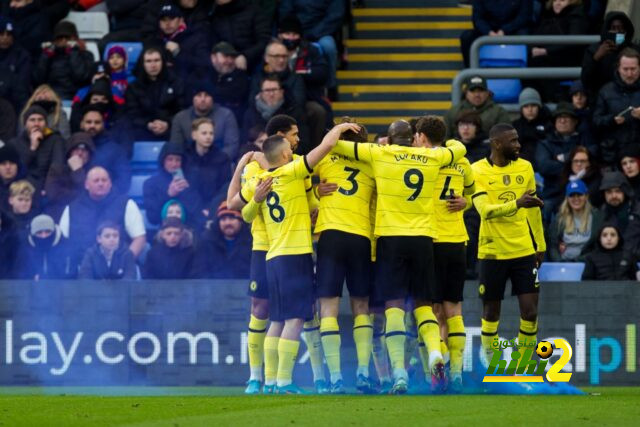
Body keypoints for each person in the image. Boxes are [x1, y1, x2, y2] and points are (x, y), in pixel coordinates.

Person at [330, 118, 468, 394]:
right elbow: (459, 149)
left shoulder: (380, 153)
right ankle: (434, 354)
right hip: (424, 239)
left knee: (394, 306)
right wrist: (450, 142)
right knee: (424, 305)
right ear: (414, 136)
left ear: (390, 139)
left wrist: (340, 129)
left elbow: (334, 146)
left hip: (391, 239)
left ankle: (400, 374)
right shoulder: (433, 157)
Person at [238, 123, 359, 394]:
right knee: (295, 320)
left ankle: (269, 382)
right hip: (295, 256)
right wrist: (340, 127)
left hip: (272, 257)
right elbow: (325, 147)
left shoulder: (260, 182)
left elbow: (245, 214)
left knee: (278, 321)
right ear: (283, 156)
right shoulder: (292, 172)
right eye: (289, 151)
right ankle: (283, 381)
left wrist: (257, 200)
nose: (293, 153)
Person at [227, 113, 327, 394]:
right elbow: (234, 204)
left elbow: (309, 202)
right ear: (282, 138)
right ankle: (261, 377)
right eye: (294, 135)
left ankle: (317, 377)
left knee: (302, 313)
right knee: (267, 310)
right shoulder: (270, 167)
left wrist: (317, 199)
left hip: (288, 245)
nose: (299, 139)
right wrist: (239, 169)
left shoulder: (293, 164)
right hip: (268, 247)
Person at [471, 123, 546, 367]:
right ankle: (493, 367)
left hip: (524, 250)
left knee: (530, 312)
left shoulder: (525, 167)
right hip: (492, 252)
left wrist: (540, 244)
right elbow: (484, 211)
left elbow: (533, 209)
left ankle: (522, 365)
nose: (518, 145)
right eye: (512, 141)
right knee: (491, 314)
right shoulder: (477, 171)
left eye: (518, 140)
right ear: (497, 143)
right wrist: (516, 204)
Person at [311, 120, 376, 394]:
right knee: (362, 306)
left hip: (331, 236)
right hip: (361, 237)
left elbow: (296, 175)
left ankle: (336, 377)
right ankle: (362, 372)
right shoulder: (373, 161)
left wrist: (315, 191)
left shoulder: (325, 158)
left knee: (328, 308)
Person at [423, 117, 476, 393]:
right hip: (457, 241)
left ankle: (438, 366)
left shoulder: (422, 159)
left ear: (421, 136)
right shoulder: (461, 160)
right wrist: (465, 202)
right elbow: (471, 189)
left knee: (433, 311)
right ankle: (455, 373)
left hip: (430, 240)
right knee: (453, 309)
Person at [59, 166, 147, 268]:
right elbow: (62, 242)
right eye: (96, 181)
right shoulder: (72, 208)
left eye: (104, 180)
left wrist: (124, 264)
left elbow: (139, 239)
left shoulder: (126, 204)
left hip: (118, 273)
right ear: (86, 185)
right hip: (81, 270)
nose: (100, 184)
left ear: (110, 184)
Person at [535, 102, 597, 221]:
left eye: (566, 117)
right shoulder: (545, 143)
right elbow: (544, 166)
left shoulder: (584, 139)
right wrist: (574, 165)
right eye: (559, 118)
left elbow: (593, 154)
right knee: (545, 207)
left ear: (575, 121)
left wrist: (566, 157)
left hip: (583, 192)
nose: (562, 121)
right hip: (554, 193)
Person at [277, 15, 331, 148]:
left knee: (318, 111)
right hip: (278, 97)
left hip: (307, 97)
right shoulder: (273, 50)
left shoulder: (310, 50)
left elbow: (322, 72)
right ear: (280, 35)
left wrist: (301, 75)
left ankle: (316, 151)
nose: (290, 38)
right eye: (287, 33)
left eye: (294, 34)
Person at [279, 0, 345, 98]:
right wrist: (295, 31)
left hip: (321, 33)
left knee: (328, 46)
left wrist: (313, 33)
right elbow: (285, 11)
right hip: (295, 31)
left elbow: (335, 16)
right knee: (274, 47)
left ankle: (331, 84)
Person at [529, 0, 589, 100]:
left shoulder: (577, 16)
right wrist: (533, 48)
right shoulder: (549, 16)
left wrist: (546, 51)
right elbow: (536, 36)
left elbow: (574, 42)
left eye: (562, 0)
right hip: (550, 58)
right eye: (555, 0)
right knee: (531, 60)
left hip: (571, 59)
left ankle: (555, 99)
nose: (557, 3)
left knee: (538, 62)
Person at [125, 47, 185, 141]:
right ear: (143, 64)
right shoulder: (134, 87)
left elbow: (182, 110)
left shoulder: (176, 83)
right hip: (143, 130)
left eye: (157, 60)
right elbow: (132, 114)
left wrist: (167, 123)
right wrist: (148, 124)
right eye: (148, 61)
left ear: (163, 62)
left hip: (172, 129)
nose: (153, 65)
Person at [170, 80, 240, 160]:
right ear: (193, 98)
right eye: (199, 95)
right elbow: (176, 147)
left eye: (206, 95)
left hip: (219, 164)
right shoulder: (180, 118)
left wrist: (216, 161)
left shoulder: (226, 115)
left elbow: (232, 146)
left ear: (212, 98)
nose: (203, 99)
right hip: (189, 165)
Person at [593, 48, 640, 166]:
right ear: (618, 68)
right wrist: (611, 120)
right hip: (613, 155)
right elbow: (596, 121)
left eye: (633, 69)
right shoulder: (606, 91)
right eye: (625, 69)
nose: (629, 74)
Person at [143, 141, 204, 229]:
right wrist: (168, 195)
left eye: (178, 160)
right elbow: (152, 218)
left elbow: (198, 214)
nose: (174, 164)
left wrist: (187, 192)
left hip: (189, 229)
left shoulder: (191, 180)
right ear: (163, 161)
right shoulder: (150, 184)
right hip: (164, 231)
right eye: (170, 159)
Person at [582, 11, 640, 102]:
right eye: (614, 28)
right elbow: (586, 80)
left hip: (631, 99)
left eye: (621, 29)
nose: (618, 32)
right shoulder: (594, 50)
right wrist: (596, 58)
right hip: (601, 100)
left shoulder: (636, 50)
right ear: (606, 30)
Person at [144, 3, 209, 80]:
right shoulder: (153, 41)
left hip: (185, 86)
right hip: (159, 87)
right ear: (159, 23)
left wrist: (178, 53)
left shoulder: (195, 39)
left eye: (171, 18)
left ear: (181, 20)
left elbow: (203, 67)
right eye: (164, 20)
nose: (167, 23)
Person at [33, 20, 95, 100]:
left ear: (75, 39)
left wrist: (73, 52)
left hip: (75, 98)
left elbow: (81, 77)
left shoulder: (86, 55)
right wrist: (45, 57)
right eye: (60, 38)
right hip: (51, 97)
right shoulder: (48, 55)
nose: (64, 41)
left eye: (67, 38)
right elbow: (38, 79)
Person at [8, 105, 65, 191]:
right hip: (22, 190)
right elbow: (16, 171)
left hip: (47, 189)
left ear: (45, 123)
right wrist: (33, 147)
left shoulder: (56, 140)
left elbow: (57, 167)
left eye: (40, 120)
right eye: (32, 120)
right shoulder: (15, 143)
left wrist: (47, 189)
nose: (36, 124)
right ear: (25, 124)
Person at [459, 0, 532, 67]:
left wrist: (504, 30)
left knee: (525, 36)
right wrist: (489, 32)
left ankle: (525, 77)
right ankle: (472, 75)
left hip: (513, 29)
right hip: (488, 30)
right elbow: (477, 18)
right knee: (467, 37)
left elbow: (523, 16)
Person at [243, 75, 307, 150]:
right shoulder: (250, 113)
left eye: (274, 90)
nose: (271, 94)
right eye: (267, 90)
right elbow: (245, 142)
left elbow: (303, 143)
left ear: (282, 91)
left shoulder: (294, 111)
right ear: (261, 93)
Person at [193, 41, 249, 126]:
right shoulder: (202, 73)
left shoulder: (240, 76)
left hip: (233, 122)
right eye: (225, 56)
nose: (229, 61)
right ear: (213, 57)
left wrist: (211, 90)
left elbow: (233, 96)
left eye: (232, 57)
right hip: (202, 121)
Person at [548, 180, 604, 261]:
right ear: (567, 198)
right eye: (572, 195)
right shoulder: (559, 218)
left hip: (588, 263)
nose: (576, 198)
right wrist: (559, 262)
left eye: (579, 195)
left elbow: (598, 245)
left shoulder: (596, 217)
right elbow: (553, 245)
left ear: (586, 196)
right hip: (563, 264)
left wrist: (580, 260)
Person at [193, 201, 252, 279]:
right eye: (223, 219)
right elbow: (198, 271)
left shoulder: (251, 241)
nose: (227, 223)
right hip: (212, 289)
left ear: (240, 221)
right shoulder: (207, 242)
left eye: (231, 218)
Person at [183, 118, 232, 210]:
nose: (208, 137)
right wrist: (199, 209)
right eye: (204, 133)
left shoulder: (222, 158)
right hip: (191, 209)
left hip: (216, 208)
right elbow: (185, 188)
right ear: (194, 135)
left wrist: (212, 208)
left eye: (211, 133)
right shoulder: (185, 158)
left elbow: (225, 187)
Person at [78, 106, 131, 192]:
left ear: (103, 125)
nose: (92, 125)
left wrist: (104, 195)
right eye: (88, 122)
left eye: (97, 122)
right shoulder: (73, 149)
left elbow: (124, 180)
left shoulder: (115, 150)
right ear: (82, 124)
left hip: (109, 201)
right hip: (79, 201)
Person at [209, 0, 271, 72]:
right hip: (224, 66)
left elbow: (264, 41)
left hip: (253, 65)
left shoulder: (254, 11)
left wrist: (246, 56)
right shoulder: (214, 15)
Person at [443, 75, 511, 139]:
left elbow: (505, 138)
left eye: (481, 91)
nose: (477, 94)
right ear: (466, 93)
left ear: (487, 93)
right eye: (473, 91)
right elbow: (444, 138)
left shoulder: (499, 112)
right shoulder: (453, 112)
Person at [12, 214, 74, 280]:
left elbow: (72, 272)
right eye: (39, 232)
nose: (43, 236)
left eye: (47, 232)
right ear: (33, 233)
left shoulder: (66, 247)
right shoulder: (25, 249)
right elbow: (18, 273)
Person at [511, 87, 551, 167]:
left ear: (539, 107)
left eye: (533, 105)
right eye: (526, 106)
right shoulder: (515, 126)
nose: (530, 110)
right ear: (521, 109)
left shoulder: (548, 124)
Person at [0, 16, 31, 112]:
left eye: (9, 34)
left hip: (14, 104)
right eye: (1, 34)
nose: (5, 38)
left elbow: (22, 85)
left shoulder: (22, 56)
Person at [0, 143, 26, 212]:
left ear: (18, 166)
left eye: (12, 163)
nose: (8, 167)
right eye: (3, 164)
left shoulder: (28, 186)